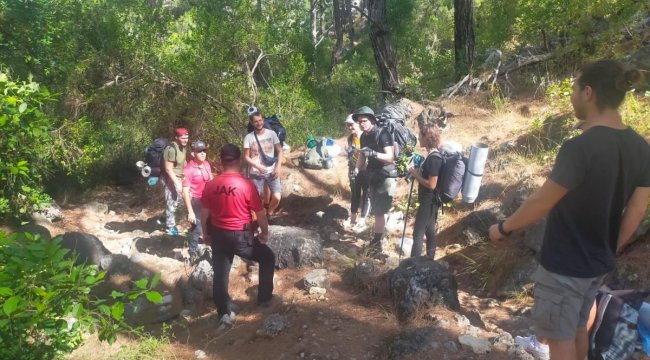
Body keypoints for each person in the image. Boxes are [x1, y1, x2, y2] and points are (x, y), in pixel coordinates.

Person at [488, 60, 650, 360]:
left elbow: (541, 201)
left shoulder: (579, 147)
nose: (572, 96)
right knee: (577, 331)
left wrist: (504, 227)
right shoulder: (641, 148)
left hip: (564, 265)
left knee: (558, 339)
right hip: (598, 264)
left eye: (575, 89)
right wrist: (610, 248)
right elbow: (637, 211)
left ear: (588, 92)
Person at [201, 144, 275, 329]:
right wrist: (264, 233)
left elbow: (204, 213)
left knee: (221, 273)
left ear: (221, 161)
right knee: (267, 257)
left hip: (218, 234)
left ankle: (224, 311)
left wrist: (205, 233)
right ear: (239, 161)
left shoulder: (211, 185)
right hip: (240, 236)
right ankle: (264, 300)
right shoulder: (245, 184)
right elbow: (260, 214)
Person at [353, 106, 397, 250]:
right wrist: (356, 168)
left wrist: (374, 154)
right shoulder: (364, 136)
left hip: (386, 175)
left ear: (372, 120)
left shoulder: (383, 133)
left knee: (380, 210)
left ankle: (379, 241)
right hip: (373, 175)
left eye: (364, 121)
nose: (361, 124)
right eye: (359, 122)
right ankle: (378, 238)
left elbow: (390, 157)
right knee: (377, 210)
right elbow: (362, 154)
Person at [407, 123, 443, 257]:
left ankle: (413, 266)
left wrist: (416, 175)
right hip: (430, 201)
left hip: (428, 201)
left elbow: (432, 184)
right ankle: (429, 262)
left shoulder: (434, 158)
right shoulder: (431, 156)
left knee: (418, 234)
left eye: (420, 135)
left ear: (427, 138)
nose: (418, 138)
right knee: (430, 232)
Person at [243, 108, 283, 218]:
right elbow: (246, 156)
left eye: (260, 120)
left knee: (277, 196)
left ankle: (269, 213)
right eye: (256, 121)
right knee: (256, 198)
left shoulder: (272, 134)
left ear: (263, 120)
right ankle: (258, 219)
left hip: (271, 170)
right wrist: (257, 166)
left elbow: (280, 151)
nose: (259, 123)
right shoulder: (248, 137)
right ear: (252, 123)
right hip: (256, 173)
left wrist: (278, 166)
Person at [181, 140, 213, 263]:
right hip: (195, 200)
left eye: (204, 150)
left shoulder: (206, 164)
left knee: (210, 224)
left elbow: (211, 181)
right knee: (197, 227)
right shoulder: (188, 169)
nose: (203, 153)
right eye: (199, 151)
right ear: (193, 153)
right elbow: (185, 191)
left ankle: (209, 247)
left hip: (208, 199)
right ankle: (192, 254)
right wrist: (190, 212)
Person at [345, 114, 370, 233]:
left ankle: (362, 221)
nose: (350, 127)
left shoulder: (366, 137)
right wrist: (350, 170)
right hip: (353, 170)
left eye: (352, 124)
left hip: (366, 171)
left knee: (366, 195)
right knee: (355, 194)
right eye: (348, 125)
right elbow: (350, 156)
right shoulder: (350, 139)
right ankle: (353, 219)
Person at [162, 127, 189, 235]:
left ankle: (165, 217)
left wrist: (186, 176)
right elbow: (168, 169)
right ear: (177, 137)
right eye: (183, 138)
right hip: (171, 178)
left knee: (179, 200)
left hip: (180, 176)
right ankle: (170, 227)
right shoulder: (171, 149)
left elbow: (183, 162)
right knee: (172, 201)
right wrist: (177, 183)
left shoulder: (183, 147)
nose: (185, 140)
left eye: (187, 138)